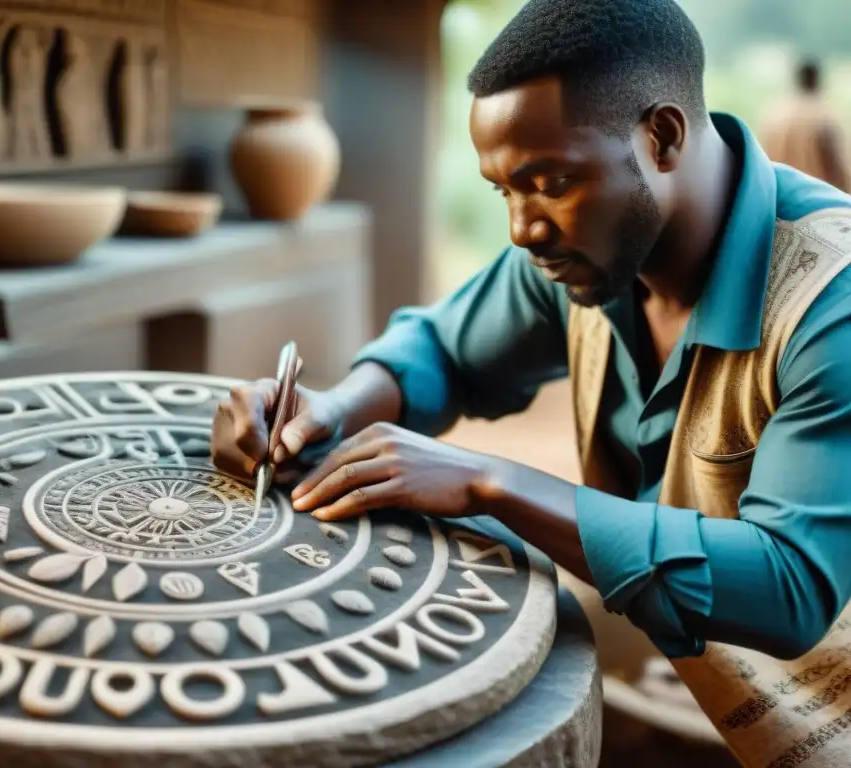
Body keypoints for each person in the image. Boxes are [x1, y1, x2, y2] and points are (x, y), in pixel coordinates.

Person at [210, 0, 851, 765]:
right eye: (504, 191)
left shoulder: (831, 307)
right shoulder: (591, 253)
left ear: (663, 137)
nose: (523, 228)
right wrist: (331, 410)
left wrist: (489, 482)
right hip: (701, 686)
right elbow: (444, 349)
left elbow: (789, 590)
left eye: (549, 181)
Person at [758, 58, 849, 192]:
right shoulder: (826, 116)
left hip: (781, 198)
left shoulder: (776, 115)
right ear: (817, 79)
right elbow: (839, 168)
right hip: (818, 201)